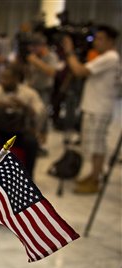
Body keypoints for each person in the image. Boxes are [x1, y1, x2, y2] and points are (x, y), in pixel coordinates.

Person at [62, 24, 120, 194]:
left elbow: (80, 71)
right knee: (95, 145)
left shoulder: (110, 57)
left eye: (100, 39)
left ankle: (95, 180)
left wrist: (69, 51)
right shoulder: (106, 56)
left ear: (110, 41)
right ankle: (94, 175)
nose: (96, 42)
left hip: (99, 108)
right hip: (96, 107)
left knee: (97, 147)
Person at [0, 65, 44, 178]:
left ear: (16, 78)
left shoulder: (29, 93)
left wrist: (24, 106)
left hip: (20, 132)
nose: (3, 81)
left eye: (7, 78)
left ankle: (27, 178)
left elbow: (40, 111)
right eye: (2, 78)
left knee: (32, 142)